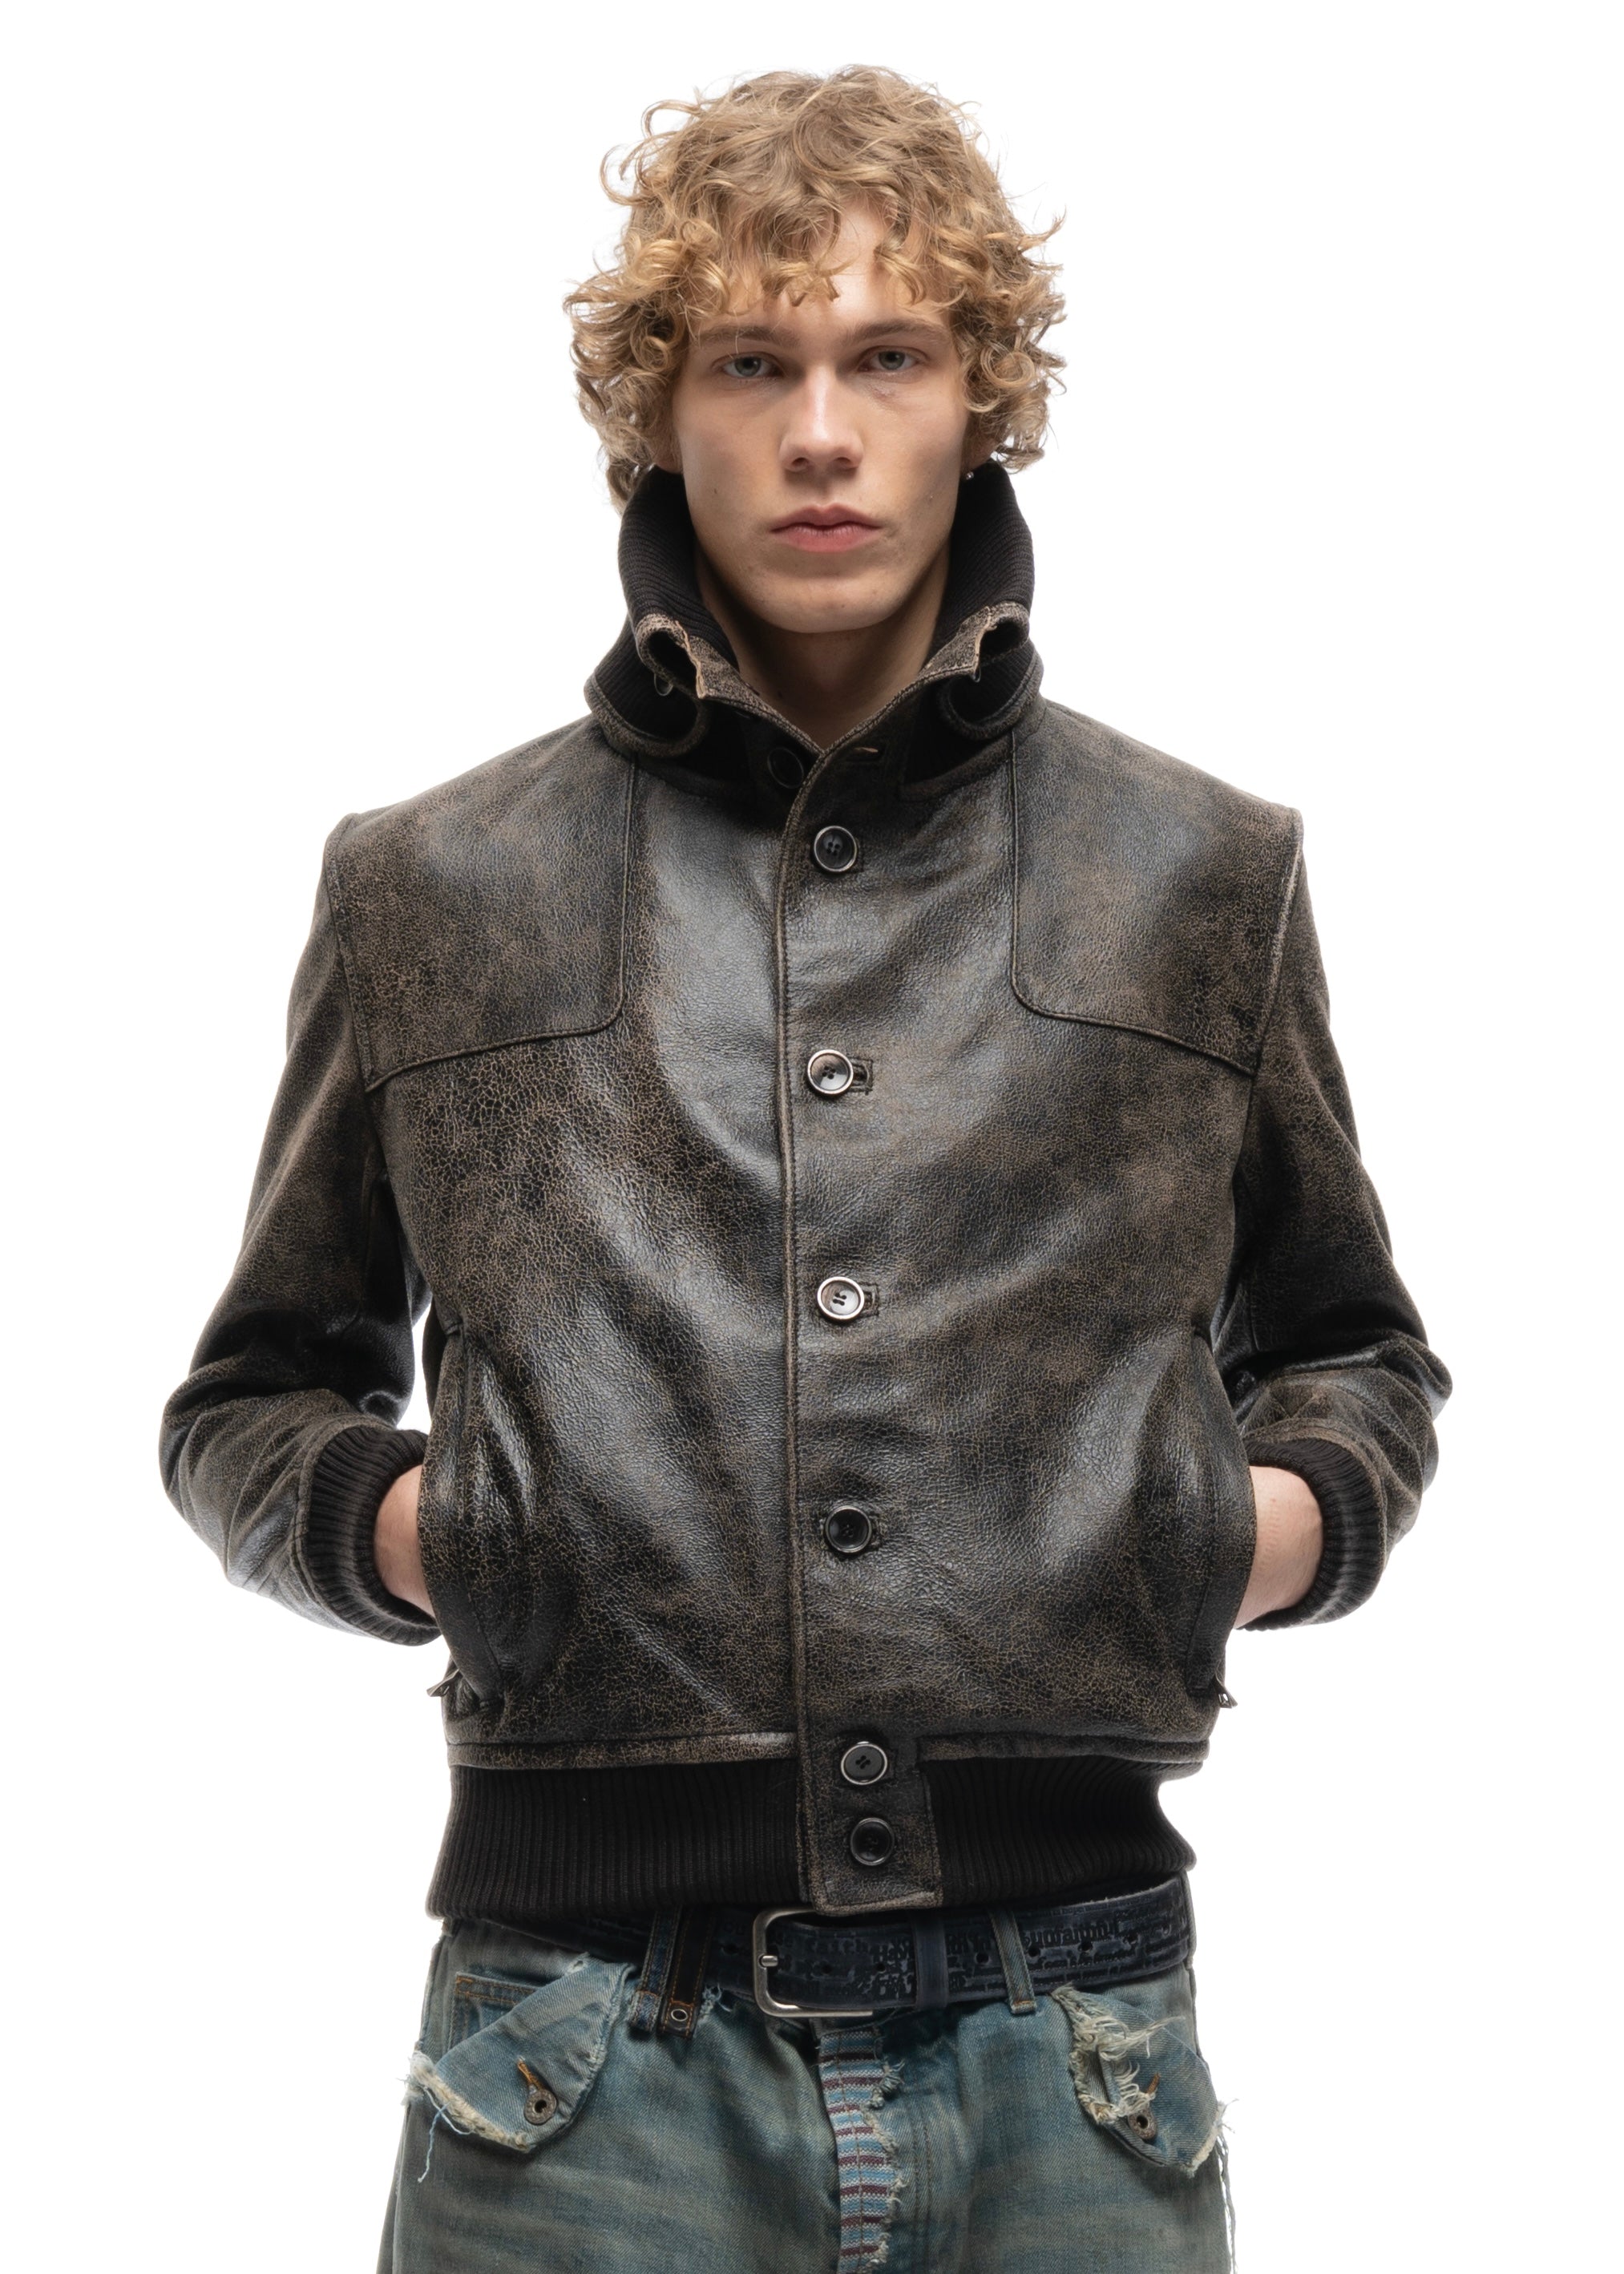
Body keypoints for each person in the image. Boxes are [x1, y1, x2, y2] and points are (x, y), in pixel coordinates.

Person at [161, 66, 1449, 2274]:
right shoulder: (433, 883)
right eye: (750, 365)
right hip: (576, 2056)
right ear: (658, 419)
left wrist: (1217, 1530)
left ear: (980, 404)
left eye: (890, 357)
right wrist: (445, 1533)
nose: (822, 436)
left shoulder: (1196, 871)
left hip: (1078, 2052)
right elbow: (251, 1397)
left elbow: (1355, 1353)